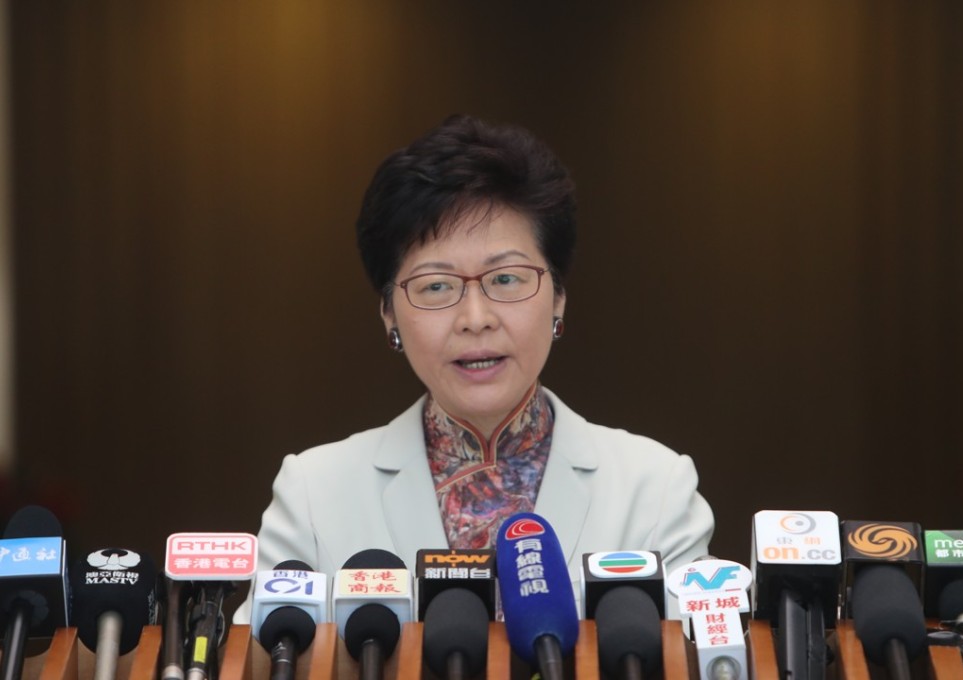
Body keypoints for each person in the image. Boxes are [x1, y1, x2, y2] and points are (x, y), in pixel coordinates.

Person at [234, 115, 713, 621]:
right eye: (437, 286)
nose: (476, 319)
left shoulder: (654, 488)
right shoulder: (314, 491)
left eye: (506, 278)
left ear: (559, 300)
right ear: (389, 315)